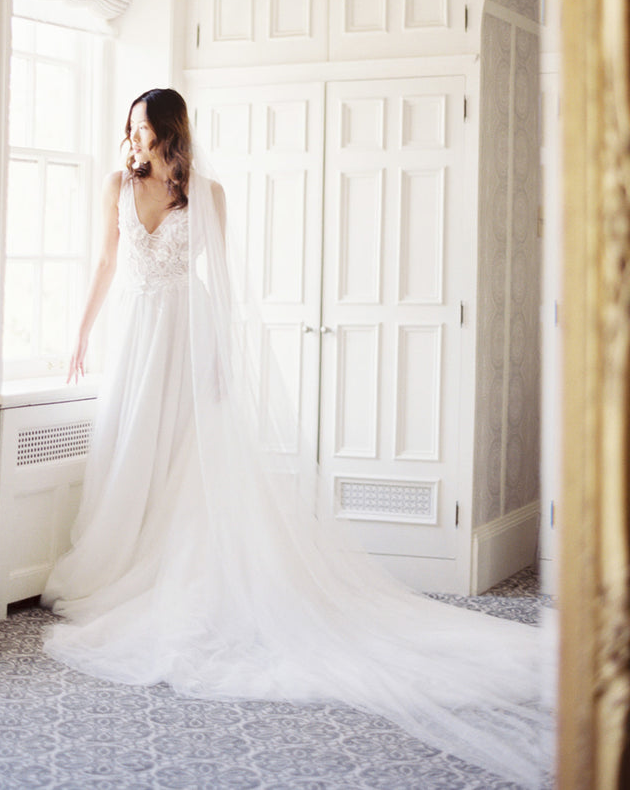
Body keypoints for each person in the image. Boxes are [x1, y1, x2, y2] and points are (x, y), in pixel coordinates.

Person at [42, 87, 553, 788]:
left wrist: (220, 361)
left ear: (171, 135)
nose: (133, 140)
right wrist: (80, 332)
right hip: (136, 337)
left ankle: (168, 571)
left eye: (145, 130)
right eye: (128, 128)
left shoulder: (210, 195)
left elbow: (221, 289)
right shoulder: (115, 185)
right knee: (134, 450)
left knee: (184, 462)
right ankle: (121, 560)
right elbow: (103, 264)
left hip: (188, 340)